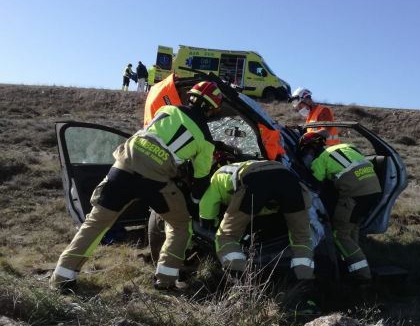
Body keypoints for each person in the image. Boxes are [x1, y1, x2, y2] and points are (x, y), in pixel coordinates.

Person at [50, 81, 224, 291]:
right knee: (180, 225)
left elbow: (151, 135)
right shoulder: (205, 140)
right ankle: (165, 281)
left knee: (95, 223)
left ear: (191, 97)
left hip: (122, 168)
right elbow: (201, 179)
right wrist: (196, 204)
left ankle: (62, 277)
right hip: (155, 181)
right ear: (213, 108)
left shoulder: (166, 109)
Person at [199, 160, 314, 280]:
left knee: (226, 236)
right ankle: (304, 278)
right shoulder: (252, 162)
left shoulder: (218, 175)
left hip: (255, 183)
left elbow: (207, 205)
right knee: (302, 237)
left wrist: (207, 221)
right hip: (288, 180)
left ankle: (238, 275)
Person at [297, 132, 381, 280]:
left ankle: (362, 275)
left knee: (340, 234)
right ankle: (352, 263)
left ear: (309, 149)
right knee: (352, 228)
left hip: (354, 194)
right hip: (374, 189)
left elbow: (315, 184)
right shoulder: (347, 146)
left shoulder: (320, 160)